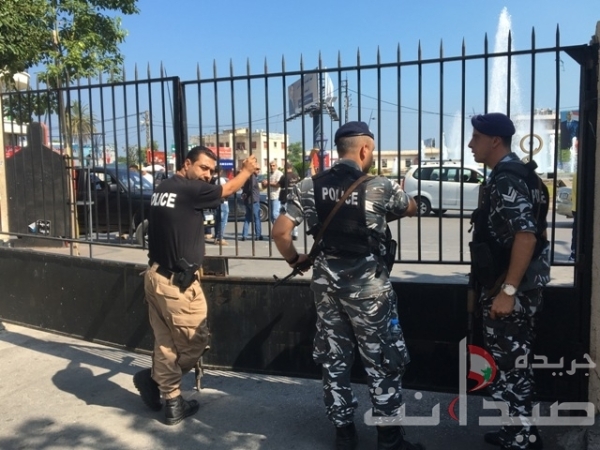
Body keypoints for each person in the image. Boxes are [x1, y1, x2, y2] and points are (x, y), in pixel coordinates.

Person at [272, 121, 422, 450]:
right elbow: (411, 207)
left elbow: (280, 232)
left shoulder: (308, 186)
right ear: (365, 149)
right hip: (369, 290)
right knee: (382, 359)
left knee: (335, 358)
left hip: (326, 287)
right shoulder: (380, 186)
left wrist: (296, 260)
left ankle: (344, 435)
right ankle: (389, 439)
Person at [133, 146, 258, 425]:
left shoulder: (164, 187)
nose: (208, 175)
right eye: (203, 168)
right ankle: (156, 382)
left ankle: (172, 402)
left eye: (212, 171)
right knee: (195, 342)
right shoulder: (189, 189)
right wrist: (246, 171)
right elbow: (227, 190)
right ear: (187, 163)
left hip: (157, 276)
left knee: (166, 344)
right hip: (175, 285)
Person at [468, 113, 550, 450]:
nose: (470, 144)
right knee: (510, 364)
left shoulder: (507, 179)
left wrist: (508, 291)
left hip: (511, 288)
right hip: (514, 285)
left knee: (511, 366)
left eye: (476, 137)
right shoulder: (519, 174)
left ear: (495, 141)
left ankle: (523, 437)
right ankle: (515, 431)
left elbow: (526, 236)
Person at [278, 162, 301, 240]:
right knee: (294, 216)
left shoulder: (284, 177)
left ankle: (287, 233)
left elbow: (279, 185)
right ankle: (295, 234)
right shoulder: (296, 176)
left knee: (285, 216)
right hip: (295, 198)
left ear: (286, 168)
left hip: (285, 198)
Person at [241, 167, 263, 241]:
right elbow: (251, 188)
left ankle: (244, 235)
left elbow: (244, 188)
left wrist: (245, 194)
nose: (258, 171)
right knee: (257, 218)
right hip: (253, 200)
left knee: (247, 218)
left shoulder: (247, 177)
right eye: (257, 169)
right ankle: (258, 235)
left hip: (248, 200)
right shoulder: (252, 177)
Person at [214, 167, 230, 245]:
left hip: (217, 202)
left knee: (218, 220)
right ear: (221, 171)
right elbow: (225, 190)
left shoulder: (215, 180)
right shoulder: (221, 180)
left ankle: (217, 237)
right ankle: (220, 237)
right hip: (223, 202)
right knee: (223, 221)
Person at [569, 172, 577, 262]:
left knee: (576, 231)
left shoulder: (576, 174)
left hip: (575, 207)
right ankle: (574, 253)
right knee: (578, 232)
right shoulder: (581, 174)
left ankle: (573, 252)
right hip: (580, 207)